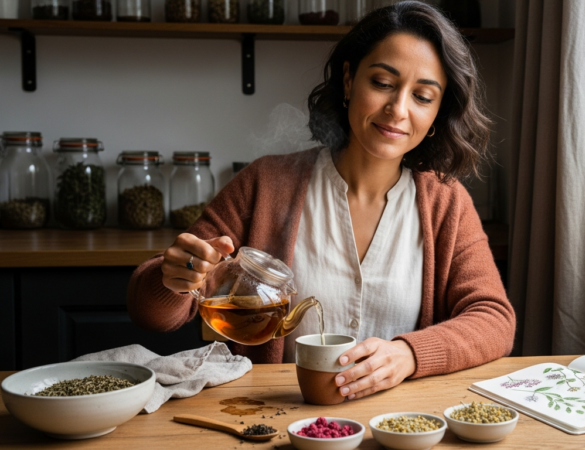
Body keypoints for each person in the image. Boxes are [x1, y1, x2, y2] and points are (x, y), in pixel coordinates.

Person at [127, 1, 515, 401]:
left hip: (398, 426)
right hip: (270, 420)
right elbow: (151, 313)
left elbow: (494, 319)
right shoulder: (266, 183)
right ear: (349, 80)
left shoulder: (446, 203)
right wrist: (173, 278)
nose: (398, 110)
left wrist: (409, 355)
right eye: (382, 83)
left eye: (422, 96)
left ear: (437, 113)